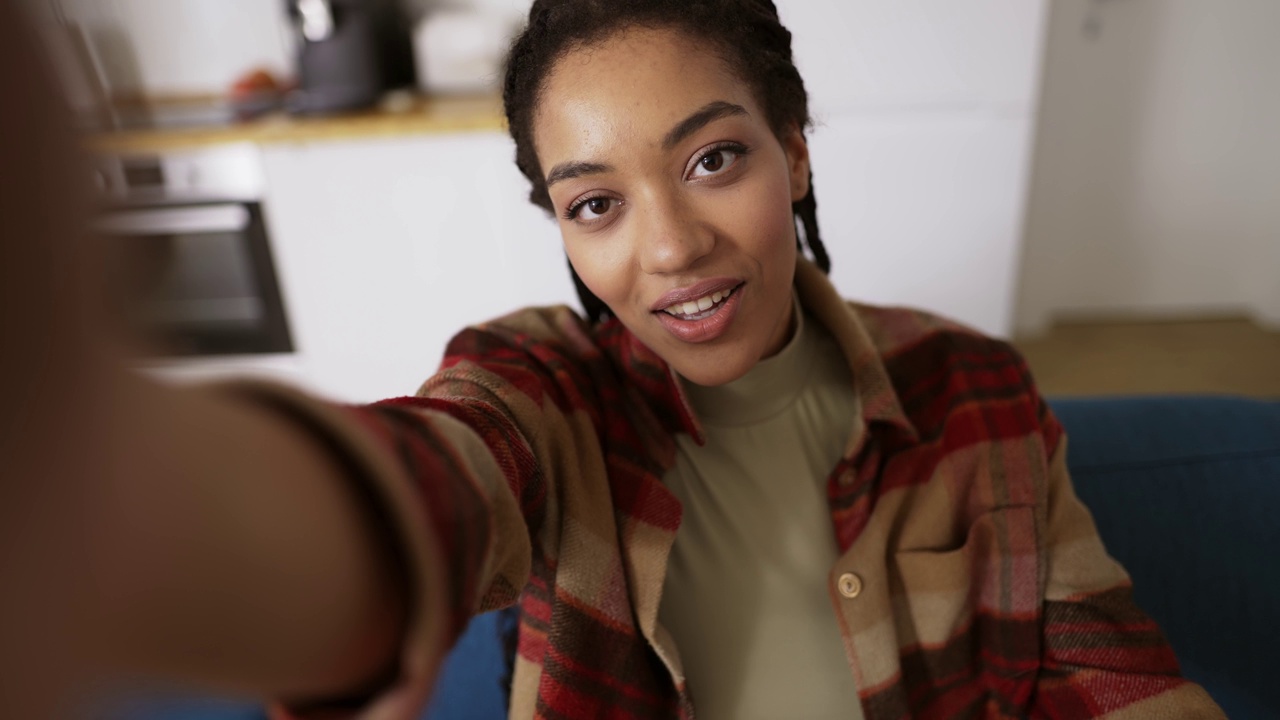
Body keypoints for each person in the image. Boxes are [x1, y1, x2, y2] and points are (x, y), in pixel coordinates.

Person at [0, 0, 1227, 718]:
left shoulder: (975, 389)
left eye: (711, 161)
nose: (671, 249)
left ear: (792, 155)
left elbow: (1102, 671)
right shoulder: (543, 396)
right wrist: (108, 499)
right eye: (595, 204)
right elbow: (431, 482)